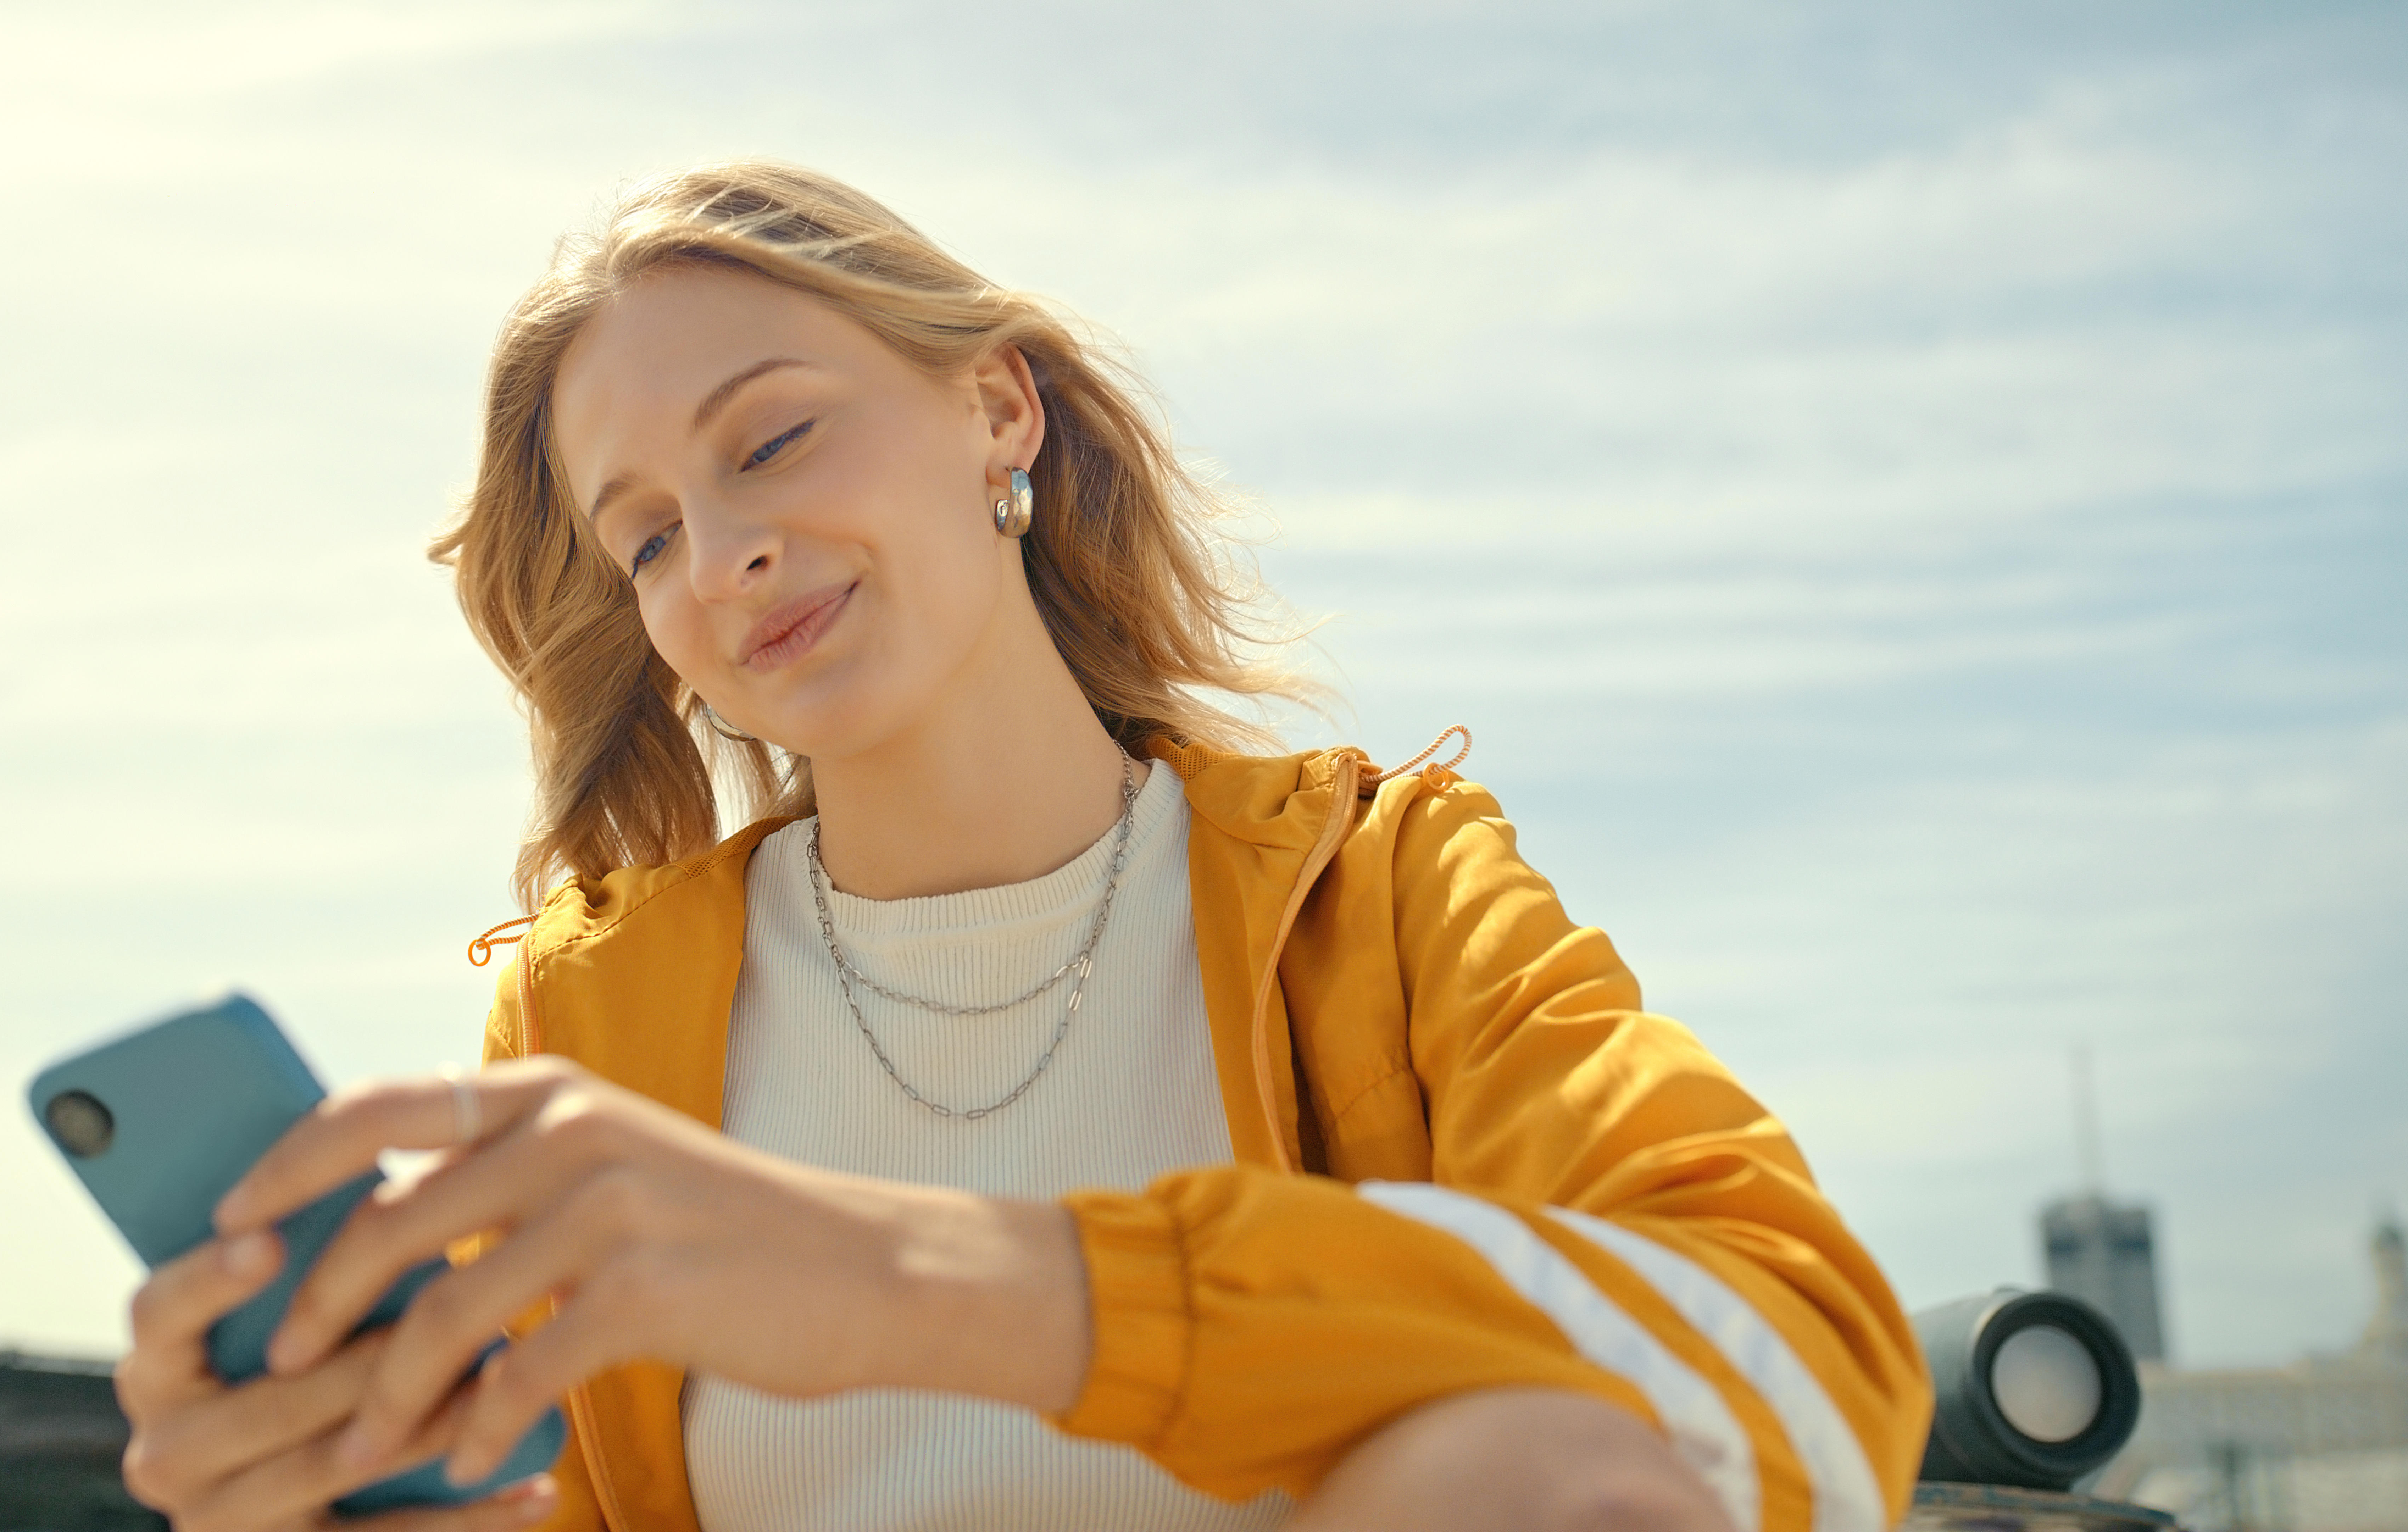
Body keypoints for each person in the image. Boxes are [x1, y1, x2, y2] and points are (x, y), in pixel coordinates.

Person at [110, 162, 1931, 1532]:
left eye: (776, 437)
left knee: (1535, 1471)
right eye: (645, 534)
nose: (721, 552)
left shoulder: (1381, 896)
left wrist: (920, 1284)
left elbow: (1804, 1369)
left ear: (998, 413)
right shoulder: (589, 1035)